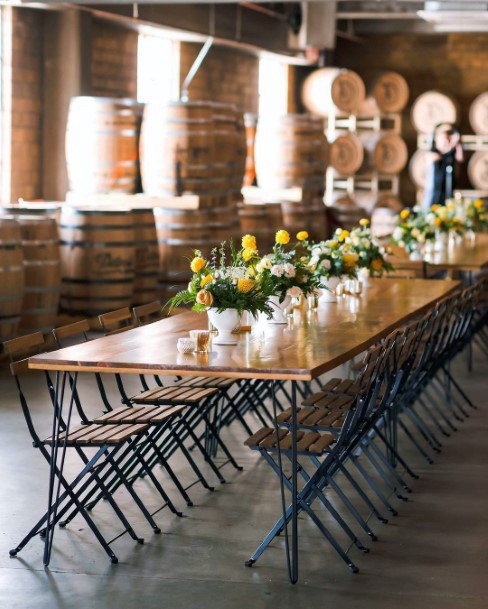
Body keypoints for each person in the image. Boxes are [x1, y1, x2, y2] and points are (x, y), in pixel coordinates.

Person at [422, 122, 464, 211]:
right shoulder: (433, 151)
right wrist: (449, 146)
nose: (446, 141)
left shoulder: (451, 152)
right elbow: (434, 158)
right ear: (437, 139)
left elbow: (460, 159)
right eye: (444, 138)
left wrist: (458, 144)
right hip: (435, 189)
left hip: (448, 187)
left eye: (448, 138)